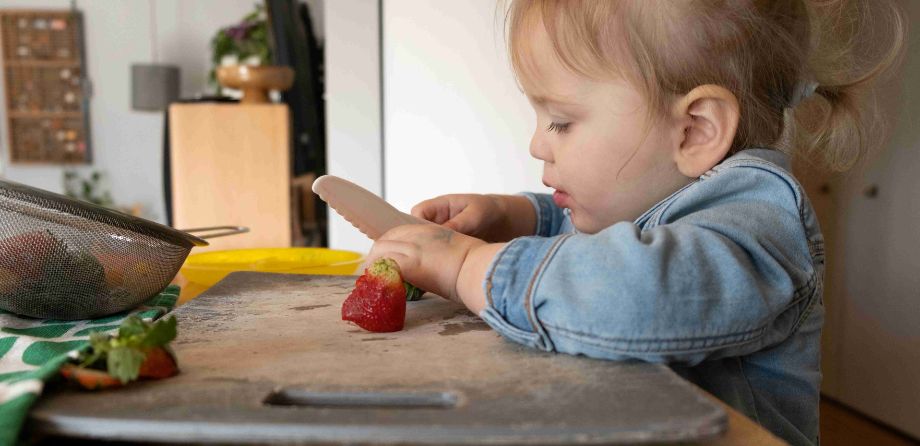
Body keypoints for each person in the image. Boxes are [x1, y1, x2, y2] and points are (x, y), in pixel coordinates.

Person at [365, 1, 904, 445]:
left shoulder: (760, 220)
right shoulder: (673, 196)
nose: (536, 143)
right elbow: (617, 237)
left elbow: (638, 290)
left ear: (694, 130)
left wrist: (467, 267)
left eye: (560, 121)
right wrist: (518, 216)